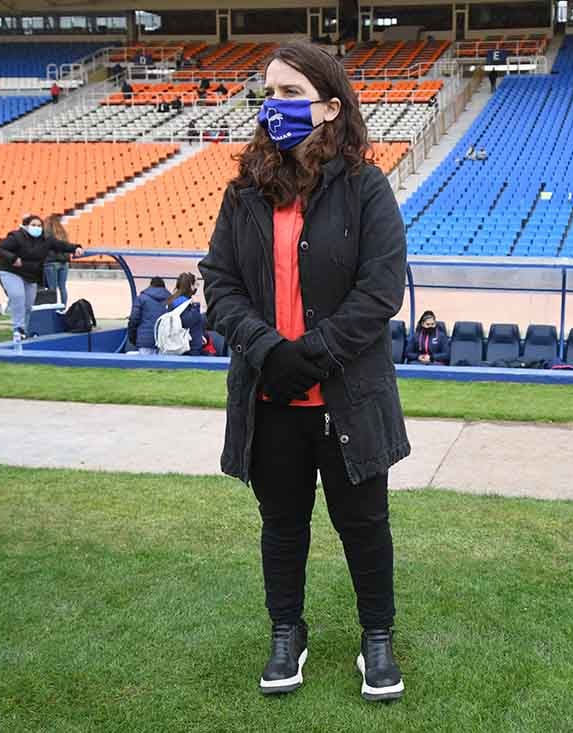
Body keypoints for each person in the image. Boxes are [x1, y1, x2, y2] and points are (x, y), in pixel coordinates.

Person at [198, 41, 410, 701]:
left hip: (347, 396)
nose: (274, 105)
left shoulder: (367, 186)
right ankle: (286, 629)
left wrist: (308, 356)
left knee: (365, 523)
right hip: (271, 398)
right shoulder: (244, 191)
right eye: (269, 93)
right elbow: (219, 283)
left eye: (290, 93)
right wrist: (269, 351)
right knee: (282, 523)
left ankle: (378, 635)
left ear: (330, 105)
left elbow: (381, 292)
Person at [0, 215, 81, 338]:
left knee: (28, 305)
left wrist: (76, 247)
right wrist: (13, 258)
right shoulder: (16, 237)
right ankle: (18, 329)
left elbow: (61, 245)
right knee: (18, 296)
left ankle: (24, 331)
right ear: (25, 226)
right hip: (10, 270)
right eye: (33, 225)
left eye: (39, 226)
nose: (37, 228)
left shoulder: (46, 240)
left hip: (30, 275)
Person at [126, 276, 171, 354]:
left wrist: (133, 339)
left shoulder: (141, 298)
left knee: (144, 365)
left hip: (145, 342)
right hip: (164, 342)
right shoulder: (171, 300)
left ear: (150, 285)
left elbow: (133, 320)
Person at [166, 272, 205, 355]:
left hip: (183, 343)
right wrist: (196, 306)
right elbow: (187, 322)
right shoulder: (184, 302)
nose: (197, 287)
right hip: (188, 346)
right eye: (196, 284)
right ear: (191, 286)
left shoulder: (174, 300)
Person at [42, 214, 72, 305]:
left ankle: (53, 307)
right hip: (64, 262)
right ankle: (64, 307)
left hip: (51, 262)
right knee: (62, 287)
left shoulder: (46, 234)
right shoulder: (63, 233)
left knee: (52, 288)